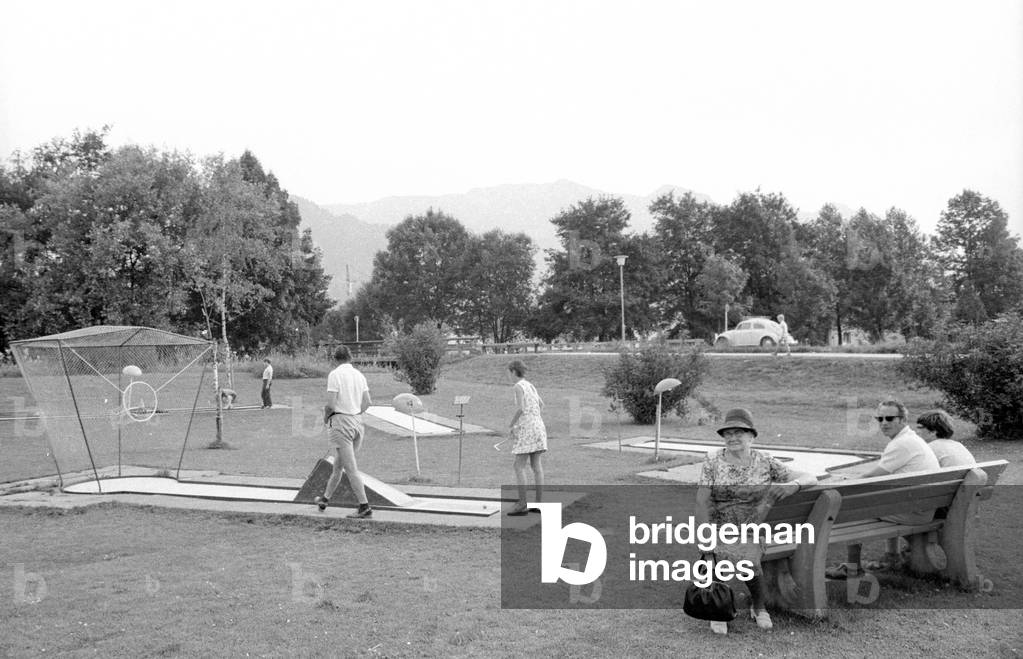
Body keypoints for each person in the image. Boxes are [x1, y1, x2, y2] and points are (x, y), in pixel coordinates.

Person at [696, 408, 817, 634]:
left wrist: (793, 486)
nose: (732, 437)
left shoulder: (765, 461)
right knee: (719, 553)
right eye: (727, 433)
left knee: (747, 558)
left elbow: (811, 477)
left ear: (751, 436)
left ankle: (759, 606)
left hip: (753, 526)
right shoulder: (712, 460)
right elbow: (701, 501)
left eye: (738, 432)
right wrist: (705, 536)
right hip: (720, 526)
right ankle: (718, 610)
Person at [315, 346, 373, 518]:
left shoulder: (335, 374)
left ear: (335, 358)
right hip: (357, 423)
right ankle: (325, 499)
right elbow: (368, 402)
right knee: (338, 466)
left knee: (350, 468)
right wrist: (355, 412)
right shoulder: (359, 375)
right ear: (350, 358)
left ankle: (364, 506)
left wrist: (326, 417)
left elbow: (331, 405)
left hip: (341, 423)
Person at [506, 360, 547, 516]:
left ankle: (522, 504)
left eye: (509, 372)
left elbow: (521, 408)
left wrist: (512, 425)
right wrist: (531, 419)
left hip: (528, 428)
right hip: (538, 426)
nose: (508, 375)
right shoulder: (530, 385)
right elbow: (541, 404)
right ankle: (538, 504)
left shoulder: (517, 386)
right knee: (536, 465)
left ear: (513, 371)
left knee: (519, 465)